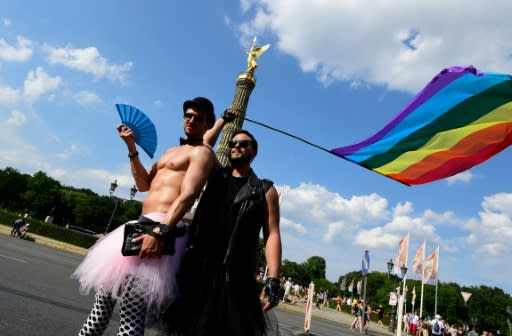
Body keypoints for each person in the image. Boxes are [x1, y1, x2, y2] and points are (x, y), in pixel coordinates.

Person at [72, 97, 230, 336]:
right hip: (140, 225)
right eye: (188, 115)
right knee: (100, 308)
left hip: (162, 228)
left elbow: (187, 195)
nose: (191, 120)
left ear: (208, 124)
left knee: (131, 313)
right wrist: (131, 148)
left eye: (198, 118)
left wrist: (161, 232)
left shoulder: (203, 154)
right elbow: (143, 184)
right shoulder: (170, 152)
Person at [164, 129, 282, 336]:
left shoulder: (265, 190)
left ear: (254, 152)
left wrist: (273, 278)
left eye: (244, 144)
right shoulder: (215, 176)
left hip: (235, 275)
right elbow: (206, 143)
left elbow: (272, 233)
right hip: (199, 267)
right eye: (233, 143)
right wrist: (224, 121)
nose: (236, 146)